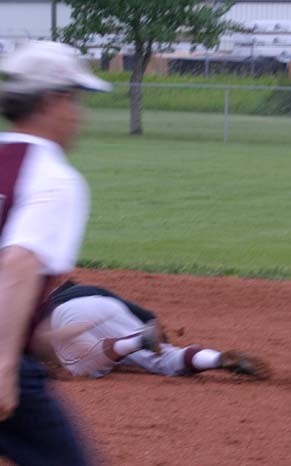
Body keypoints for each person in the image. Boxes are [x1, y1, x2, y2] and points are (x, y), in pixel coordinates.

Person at [0, 40, 111, 464]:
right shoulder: (52, 175)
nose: (80, 114)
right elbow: (18, 263)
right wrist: (6, 365)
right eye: (76, 99)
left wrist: (40, 336)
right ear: (53, 100)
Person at [35, 280, 271, 381]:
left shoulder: (39, 308)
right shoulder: (87, 289)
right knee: (165, 357)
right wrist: (151, 325)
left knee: (80, 367)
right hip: (107, 307)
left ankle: (133, 343)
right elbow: (148, 315)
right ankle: (215, 358)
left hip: (63, 320)